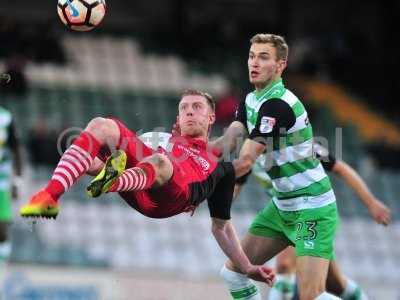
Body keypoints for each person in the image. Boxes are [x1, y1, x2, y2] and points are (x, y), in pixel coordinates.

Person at [19, 89, 275, 286]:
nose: (188, 111)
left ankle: (111, 178)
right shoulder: (165, 141)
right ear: (177, 117)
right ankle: (51, 195)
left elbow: (222, 227)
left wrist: (247, 266)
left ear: (211, 118)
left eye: (197, 107)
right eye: (184, 107)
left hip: (170, 197)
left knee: (159, 162)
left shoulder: (216, 161)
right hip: (142, 177)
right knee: (101, 126)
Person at [211, 33, 343, 300]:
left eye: (263, 57)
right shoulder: (250, 100)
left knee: (311, 296)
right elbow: (227, 142)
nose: (254, 63)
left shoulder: (278, 105)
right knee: (233, 273)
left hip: (312, 208)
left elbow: (246, 160)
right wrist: (185, 150)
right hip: (283, 207)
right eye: (251, 56)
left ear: (281, 66)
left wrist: (203, 185)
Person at [235, 143, 391, 300]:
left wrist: (371, 203)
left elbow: (341, 168)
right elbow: (237, 185)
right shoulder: (250, 155)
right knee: (336, 285)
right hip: (284, 215)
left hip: (312, 213)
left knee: (285, 267)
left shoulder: (303, 146)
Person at [0, 106, 22, 297]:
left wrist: (17, 179)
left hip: (1, 181)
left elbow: (16, 149)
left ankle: (2, 270)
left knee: (2, 228)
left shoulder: (5, 118)